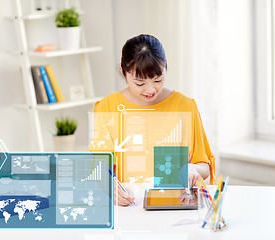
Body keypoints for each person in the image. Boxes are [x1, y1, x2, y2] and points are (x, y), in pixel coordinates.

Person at [90, 34, 215, 206]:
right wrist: (109, 186)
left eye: (158, 80)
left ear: (166, 67)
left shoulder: (185, 106)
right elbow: (99, 169)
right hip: (127, 208)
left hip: (173, 207)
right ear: (123, 72)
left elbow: (204, 165)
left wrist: (193, 169)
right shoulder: (107, 107)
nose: (150, 89)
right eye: (139, 83)